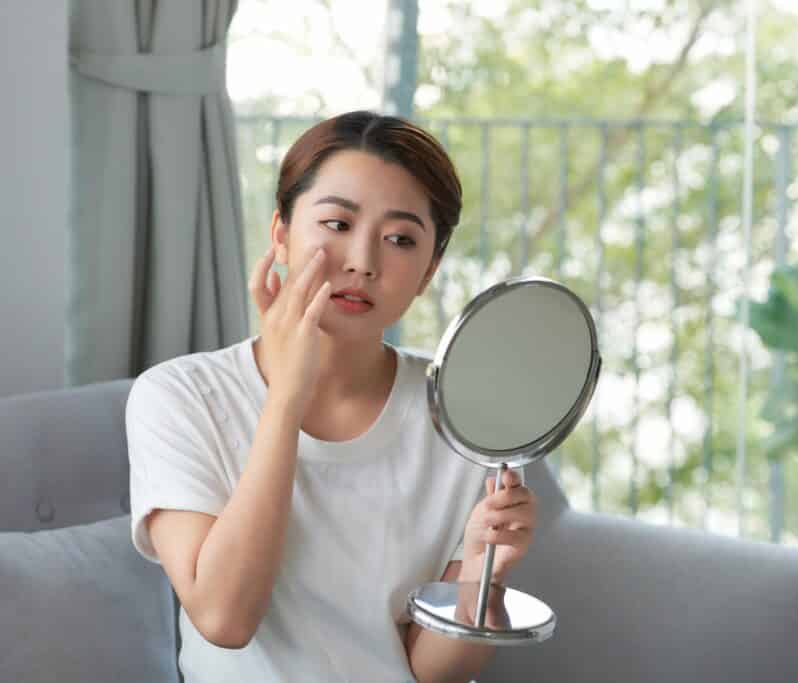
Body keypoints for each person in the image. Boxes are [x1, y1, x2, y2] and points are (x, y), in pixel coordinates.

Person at [125, 110, 538, 683]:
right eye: (337, 225)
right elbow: (223, 617)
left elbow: (428, 671)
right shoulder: (178, 397)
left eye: (400, 239)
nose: (362, 263)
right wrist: (287, 398)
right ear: (281, 235)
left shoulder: (462, 417)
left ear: (428, 271)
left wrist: (481, 574)